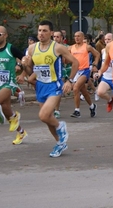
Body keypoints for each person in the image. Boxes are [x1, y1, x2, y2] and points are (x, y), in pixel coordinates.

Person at [22, 20, 79, 157]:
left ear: (51, 33)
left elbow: (75, 62)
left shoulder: (57, 48)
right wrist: (25, 65)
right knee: (47, 119)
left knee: (43, 115)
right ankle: (60, 143)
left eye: (45, 31)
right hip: (40, 86)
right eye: (39, 30)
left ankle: (60, 126)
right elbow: (31, 70)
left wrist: (69, 81)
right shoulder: (32, 48)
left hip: (54, 85)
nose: (41, 33)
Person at [0, 26, 28, 144]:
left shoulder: (11, 49)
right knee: (6, 110)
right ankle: (21, 132)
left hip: (10, 83)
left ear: (5, 36)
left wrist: (21, 69)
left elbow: (24, 59)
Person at [68, 31, 100, 118]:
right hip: (76, 71)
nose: (77, 38)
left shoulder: (87, 47)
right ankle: (92, 106)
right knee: (84, 92)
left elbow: (97, 54)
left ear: (83, 38)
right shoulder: (71, 48)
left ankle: (77, 111)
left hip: (84, 70)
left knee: (75, 88)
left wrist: (94, 64)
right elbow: (64, 55)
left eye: (78, 36)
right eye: (75, 36)